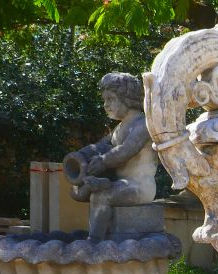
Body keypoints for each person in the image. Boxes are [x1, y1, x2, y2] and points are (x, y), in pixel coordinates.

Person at [66, 73, 157, 239]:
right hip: (120, 183)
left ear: (127, 99)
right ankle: (99, 185)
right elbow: (101, 146)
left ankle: (94, 241)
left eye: (110, 99)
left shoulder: (143, 124)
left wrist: (103, 161)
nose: (106, 105)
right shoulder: (119, 128)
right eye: (104, 100)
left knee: (101, 196)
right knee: (83, 192)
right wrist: (81, 155)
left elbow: (127, 149)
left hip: (140, 186)